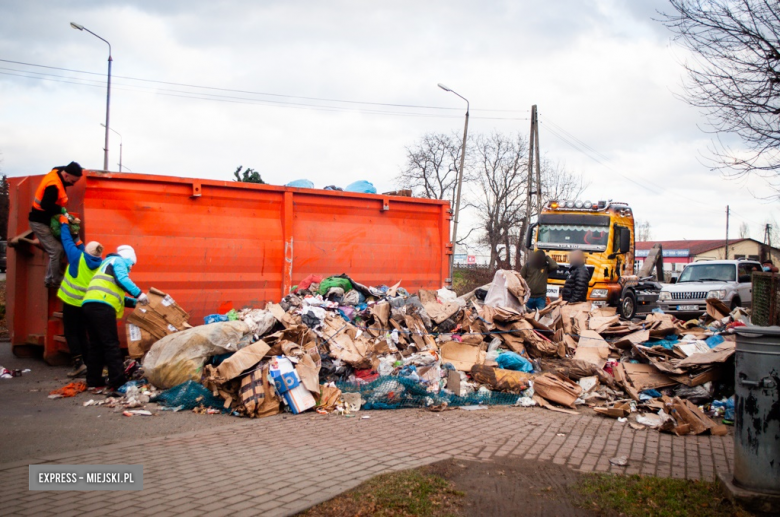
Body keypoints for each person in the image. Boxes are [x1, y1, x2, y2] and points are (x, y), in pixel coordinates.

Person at [82, 245, 149, 391]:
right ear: (128, 259)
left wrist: (136, 303)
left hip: (90, 305)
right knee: (111, 344)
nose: (130, 268)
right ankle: (117, 381)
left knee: (96, 345)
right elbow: (123, 279)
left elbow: (117, 296)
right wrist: (139, 294)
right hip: (102, 307)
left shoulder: (107, 264)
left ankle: (93, 380)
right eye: (131, 264)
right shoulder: (117, 261)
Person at [57, 216, 104, 378]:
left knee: (71, 332)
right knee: (83, 333)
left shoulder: (77, 257)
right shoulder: (100, 263)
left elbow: (65, 241)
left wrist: (64, 224)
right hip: (87, 304)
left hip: (71, 301)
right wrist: (78, 239)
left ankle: (78, 363)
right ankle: (87, 362)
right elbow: (85, 250)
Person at [28, 162, 84, 288]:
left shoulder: (58, 171)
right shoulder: (53, 186)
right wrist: (61, 211)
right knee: (56, 250)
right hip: (39, 222)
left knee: (59, 249)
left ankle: (49, 279)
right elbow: (45, 205)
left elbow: (59, 167)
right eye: (73, 181)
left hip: (46, 220)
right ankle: (56, 280)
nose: (73, 184)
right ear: (66, 176)